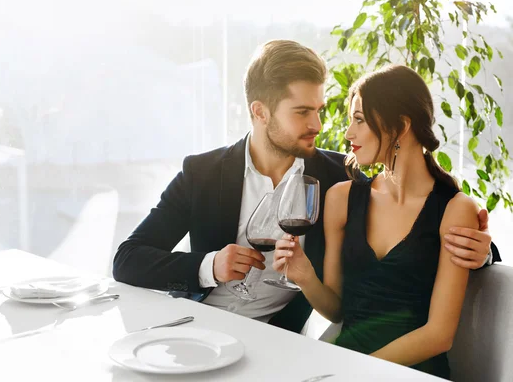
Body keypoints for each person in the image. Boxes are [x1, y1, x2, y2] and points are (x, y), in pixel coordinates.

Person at [113, 40, 499, 334]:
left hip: (276, 342)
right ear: (260, 111)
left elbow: (415, 218)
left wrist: (482, 253)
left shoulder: (339, 179)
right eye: (302, 112)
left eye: (319, 109)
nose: (317, 124)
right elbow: (127, 259)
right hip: (192, 326)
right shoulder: (202, 173)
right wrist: (209, 265)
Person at [272, 64, 496, 378]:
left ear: (401, 125)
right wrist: (305, 275)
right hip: (346, 368)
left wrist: (359, 371)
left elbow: (438, 335)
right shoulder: (341, 198)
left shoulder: (455, 208)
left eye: (359, 120)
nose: (349, 133)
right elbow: (336, 309)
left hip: (410, 373)